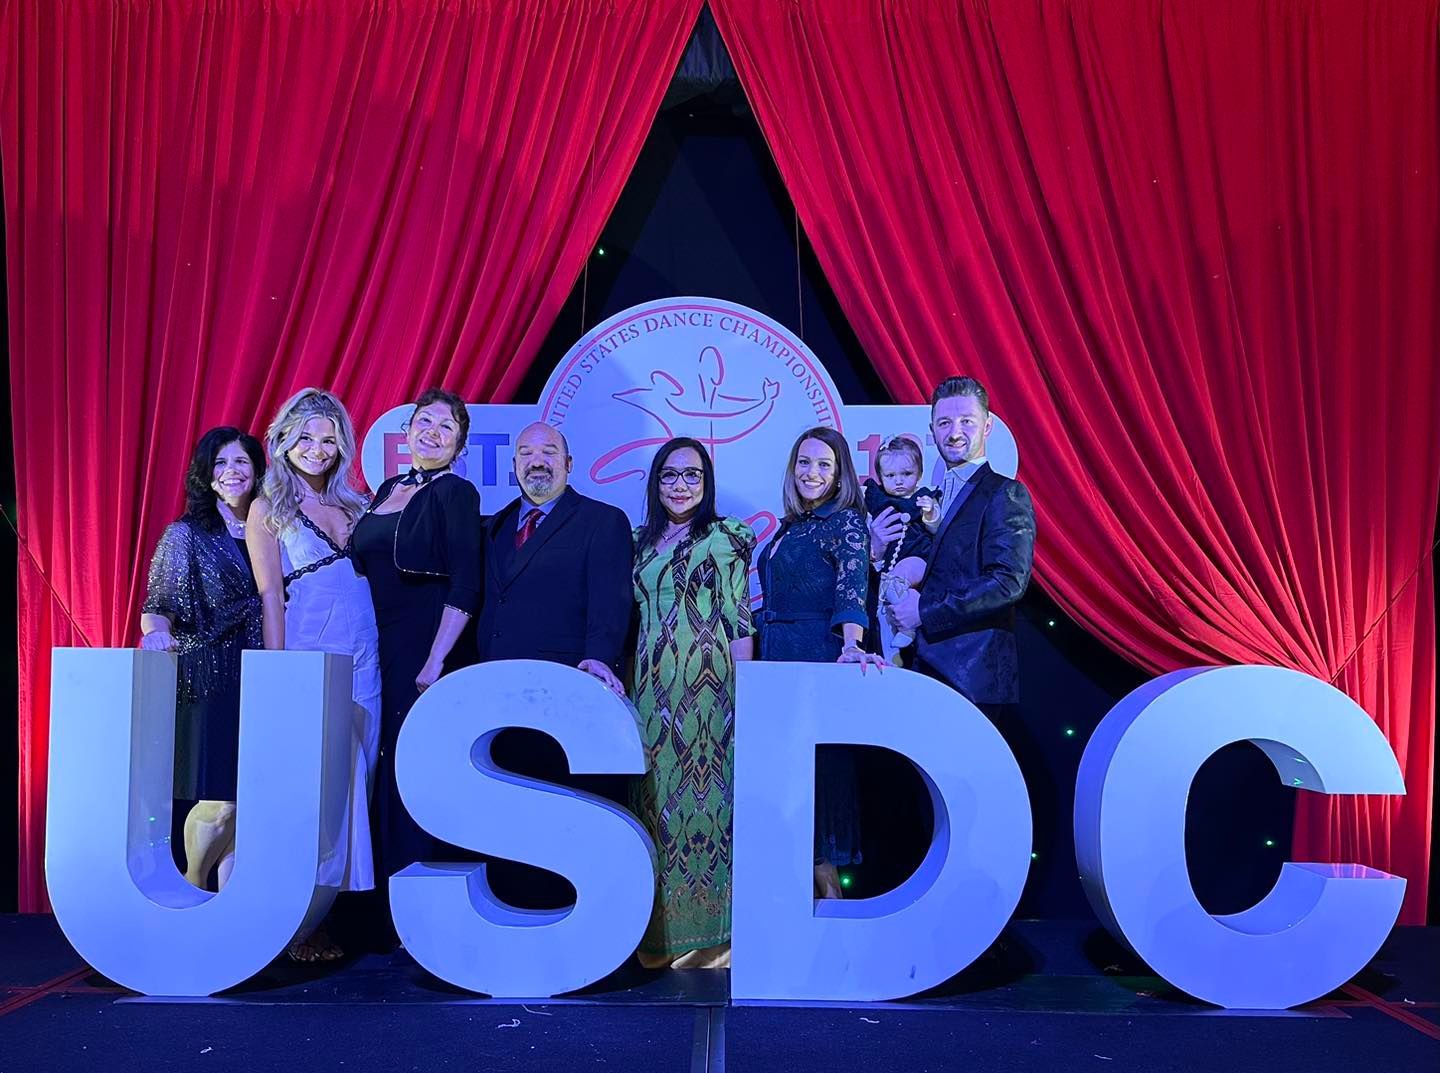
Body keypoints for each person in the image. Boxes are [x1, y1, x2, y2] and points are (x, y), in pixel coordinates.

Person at [247, 388, 382, 962]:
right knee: (314, 784)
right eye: (305, 437)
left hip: (366, 652)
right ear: (283, 441)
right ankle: (294, 920)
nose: (318, 449)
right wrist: (280, 672)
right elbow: (270, 598)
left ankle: (330, 912)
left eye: (329, 439)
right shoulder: (267, 509)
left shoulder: (358, 505)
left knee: (358, 780)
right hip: (309, 651)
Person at [476, 421, 634, 907]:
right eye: (526, 453)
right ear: (514, 465)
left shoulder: (602, 521)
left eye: (548, 451)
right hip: (498, 697)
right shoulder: (494, 526)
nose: (537, 461)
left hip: (566, 694)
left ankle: (567, 908)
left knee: (563, 808)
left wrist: (599, 658)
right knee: (510, 812)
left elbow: (611, 601)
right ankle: (514, 909)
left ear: (569, 463)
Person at [629, 438, 755, 971]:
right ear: (656, 482)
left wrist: (747, 698)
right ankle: (657, 938)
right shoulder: (636, 543)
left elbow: (739, 617)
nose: (681, 485)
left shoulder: (726, 537)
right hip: (649, 692)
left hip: (710, 693)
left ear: (707, 482)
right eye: (670, 475)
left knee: (709, 808)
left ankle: (712, 943)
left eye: (692, 475)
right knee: (653, 806)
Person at [351, 388, 482, 882]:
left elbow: (466, 584)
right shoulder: (388, 488)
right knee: (379, 757)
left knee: (412, 761)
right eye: (425, 421)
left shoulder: (456, 493)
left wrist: (435, 660)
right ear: (406, 432)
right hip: (378, 640)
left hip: (424, 639)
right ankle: (381, 892)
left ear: (459, 446)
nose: (433, 432)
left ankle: (414, 886)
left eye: (447, 427)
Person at [756, 426, 884, 898]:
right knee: (785, 779)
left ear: (840, 473)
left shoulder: (845, 520)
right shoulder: (792, 523)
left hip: (814, 658)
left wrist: (851, 645)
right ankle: (793, 901)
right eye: (804, 462)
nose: (812, 473)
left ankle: (830, 899)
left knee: (815, 778)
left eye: (824, 465)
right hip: (774, 660)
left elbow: (853, 588)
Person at [139, 427, 266, 893]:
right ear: (206, 475)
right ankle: (192, 887)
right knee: (220, 799)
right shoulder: (186, 534)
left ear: (257, 471)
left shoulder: (274, 529)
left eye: (241, 462)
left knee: (250, 803)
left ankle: (228, 905)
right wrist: (156, 634)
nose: (232, 472)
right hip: (209, 677)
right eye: (221, 463)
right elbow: (158, 606)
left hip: (263, 674)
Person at [883, 376, 1035, 709]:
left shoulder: (1005, 493)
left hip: (973, 677)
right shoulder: (931, 496)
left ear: (987, 426)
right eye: (944, 423)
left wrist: (923, 611)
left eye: (967, 421)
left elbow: (1007, 582)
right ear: (932, 429)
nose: (954, 432)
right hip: (923, 669)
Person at [861, 435, 940, 661]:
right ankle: (894, 650)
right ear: (880, 476)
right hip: (887, 566)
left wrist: (930, 512)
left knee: (898, 578)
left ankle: (908, 629)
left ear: (919, 474)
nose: (898, 481)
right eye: (890, 476)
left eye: (906, 474)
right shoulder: (876, 500)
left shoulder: (924, 498)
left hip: (917, 558)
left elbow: (937, 528)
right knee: (888, 604)